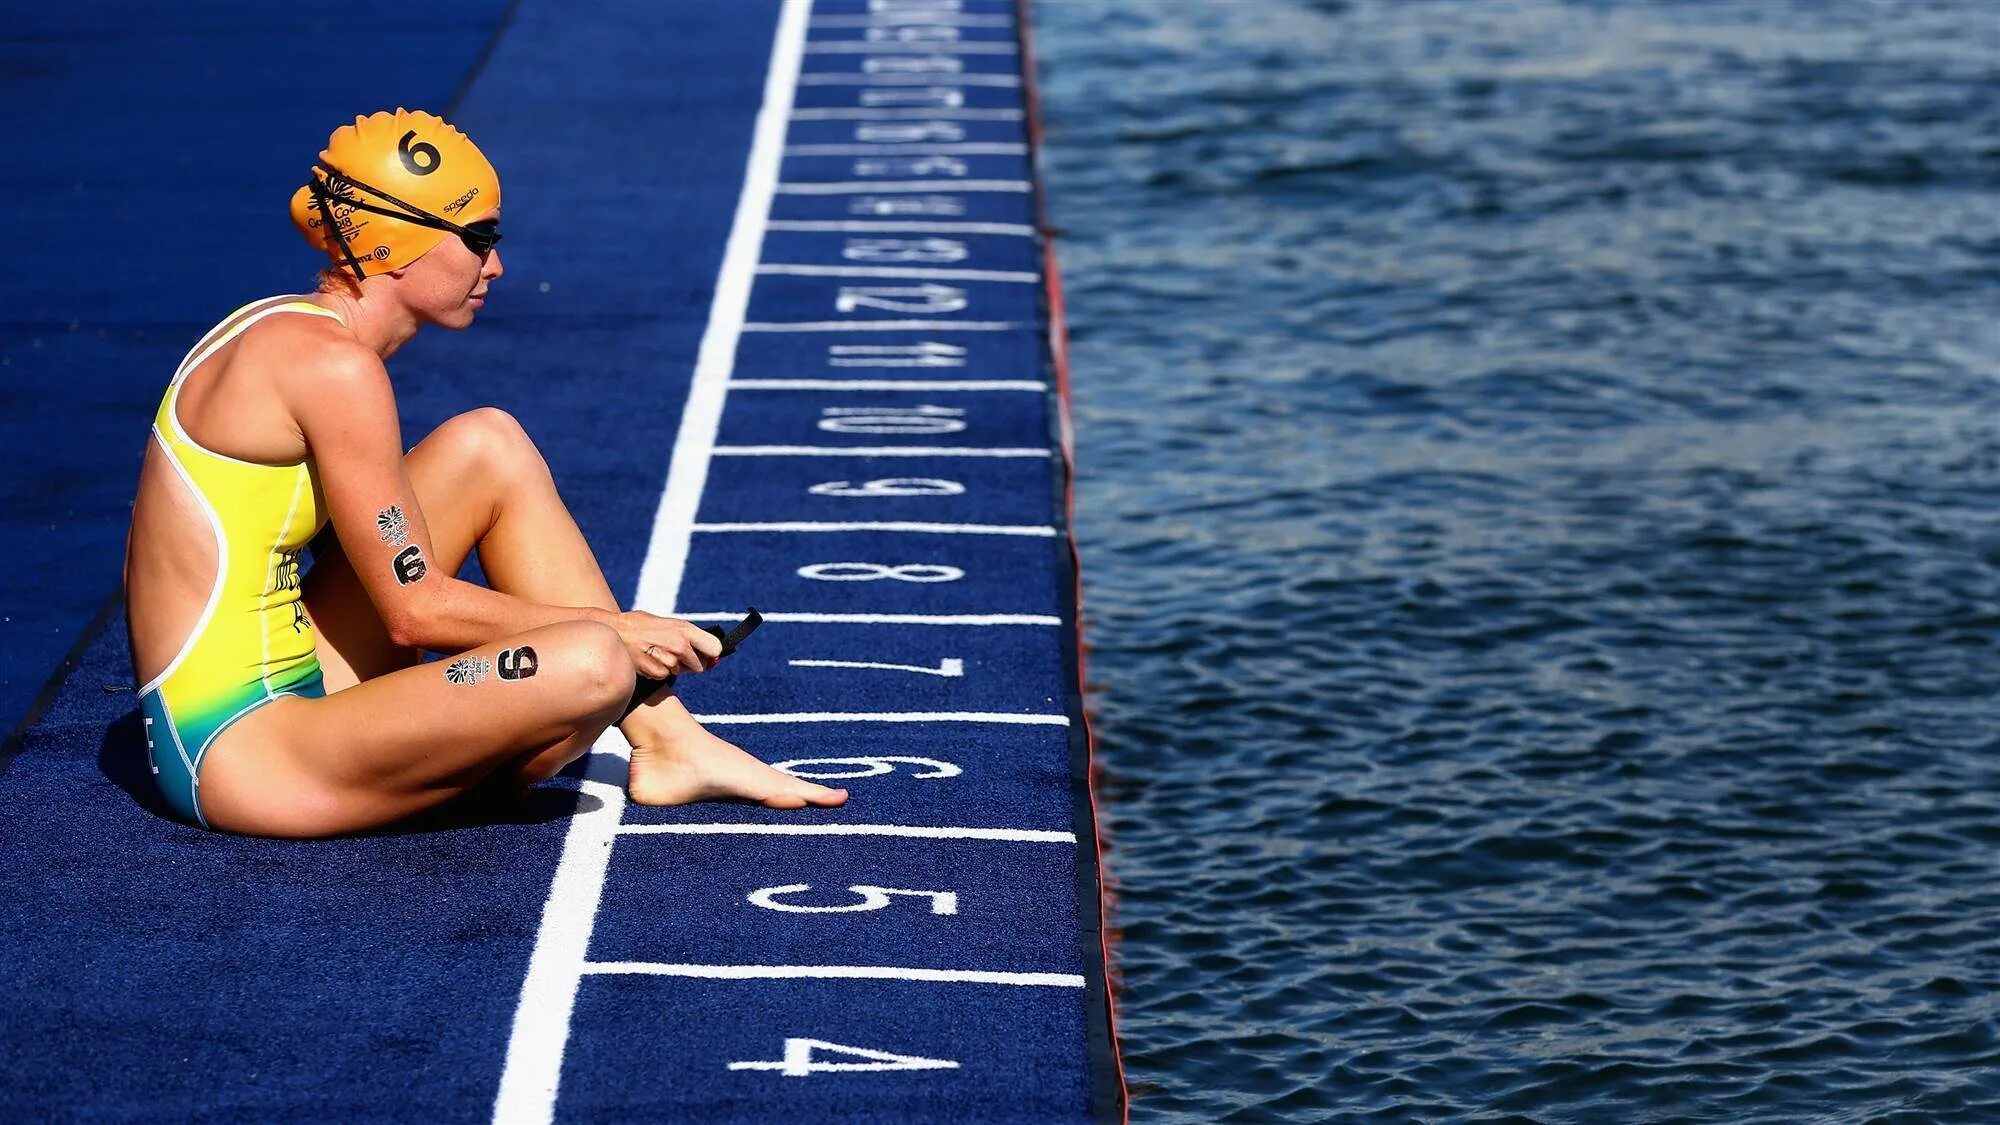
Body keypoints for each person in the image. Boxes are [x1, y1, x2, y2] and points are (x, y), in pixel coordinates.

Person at [122, 109, 846, 837]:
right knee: (592, 663)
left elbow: (373, 563)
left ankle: (671, 743)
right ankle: (501, 761)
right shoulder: (334, 368)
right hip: (241, 751)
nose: (496, 265)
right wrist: (618, 629)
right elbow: (414, 611)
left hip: (287, 678)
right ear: (396, 243)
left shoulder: (285, 327)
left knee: (486, 445)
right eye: (479, 238)